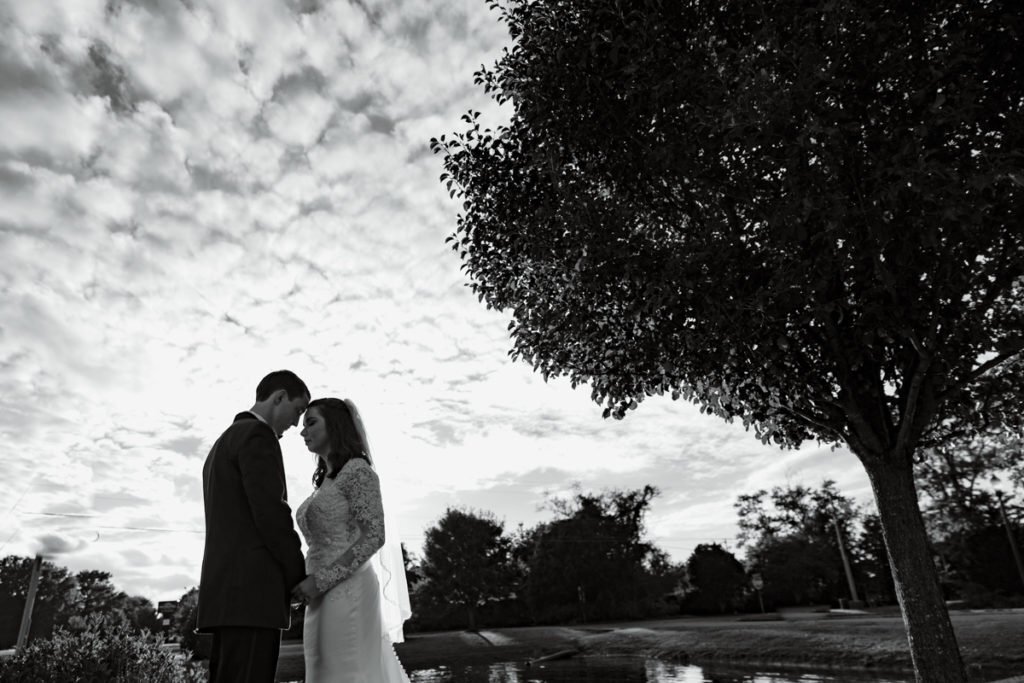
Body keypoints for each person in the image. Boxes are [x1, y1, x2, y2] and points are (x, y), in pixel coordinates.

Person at [197, 370, 310, 683]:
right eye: (298, 410)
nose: (297, 423)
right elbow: (271, 513)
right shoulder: (257, 437)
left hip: (228, 596)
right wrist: (296, 576)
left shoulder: (222, 443)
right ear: (279, 398)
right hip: (253, 595)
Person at [292, 397, 411, 683]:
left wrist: (320, 581)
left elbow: (374, 536)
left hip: (348, 591)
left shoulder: (358, 472)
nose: (302, 431)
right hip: (318, 596)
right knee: (323, 673)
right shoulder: (326, 482)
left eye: (311, 422)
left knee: (347, 672)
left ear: (334, 426)